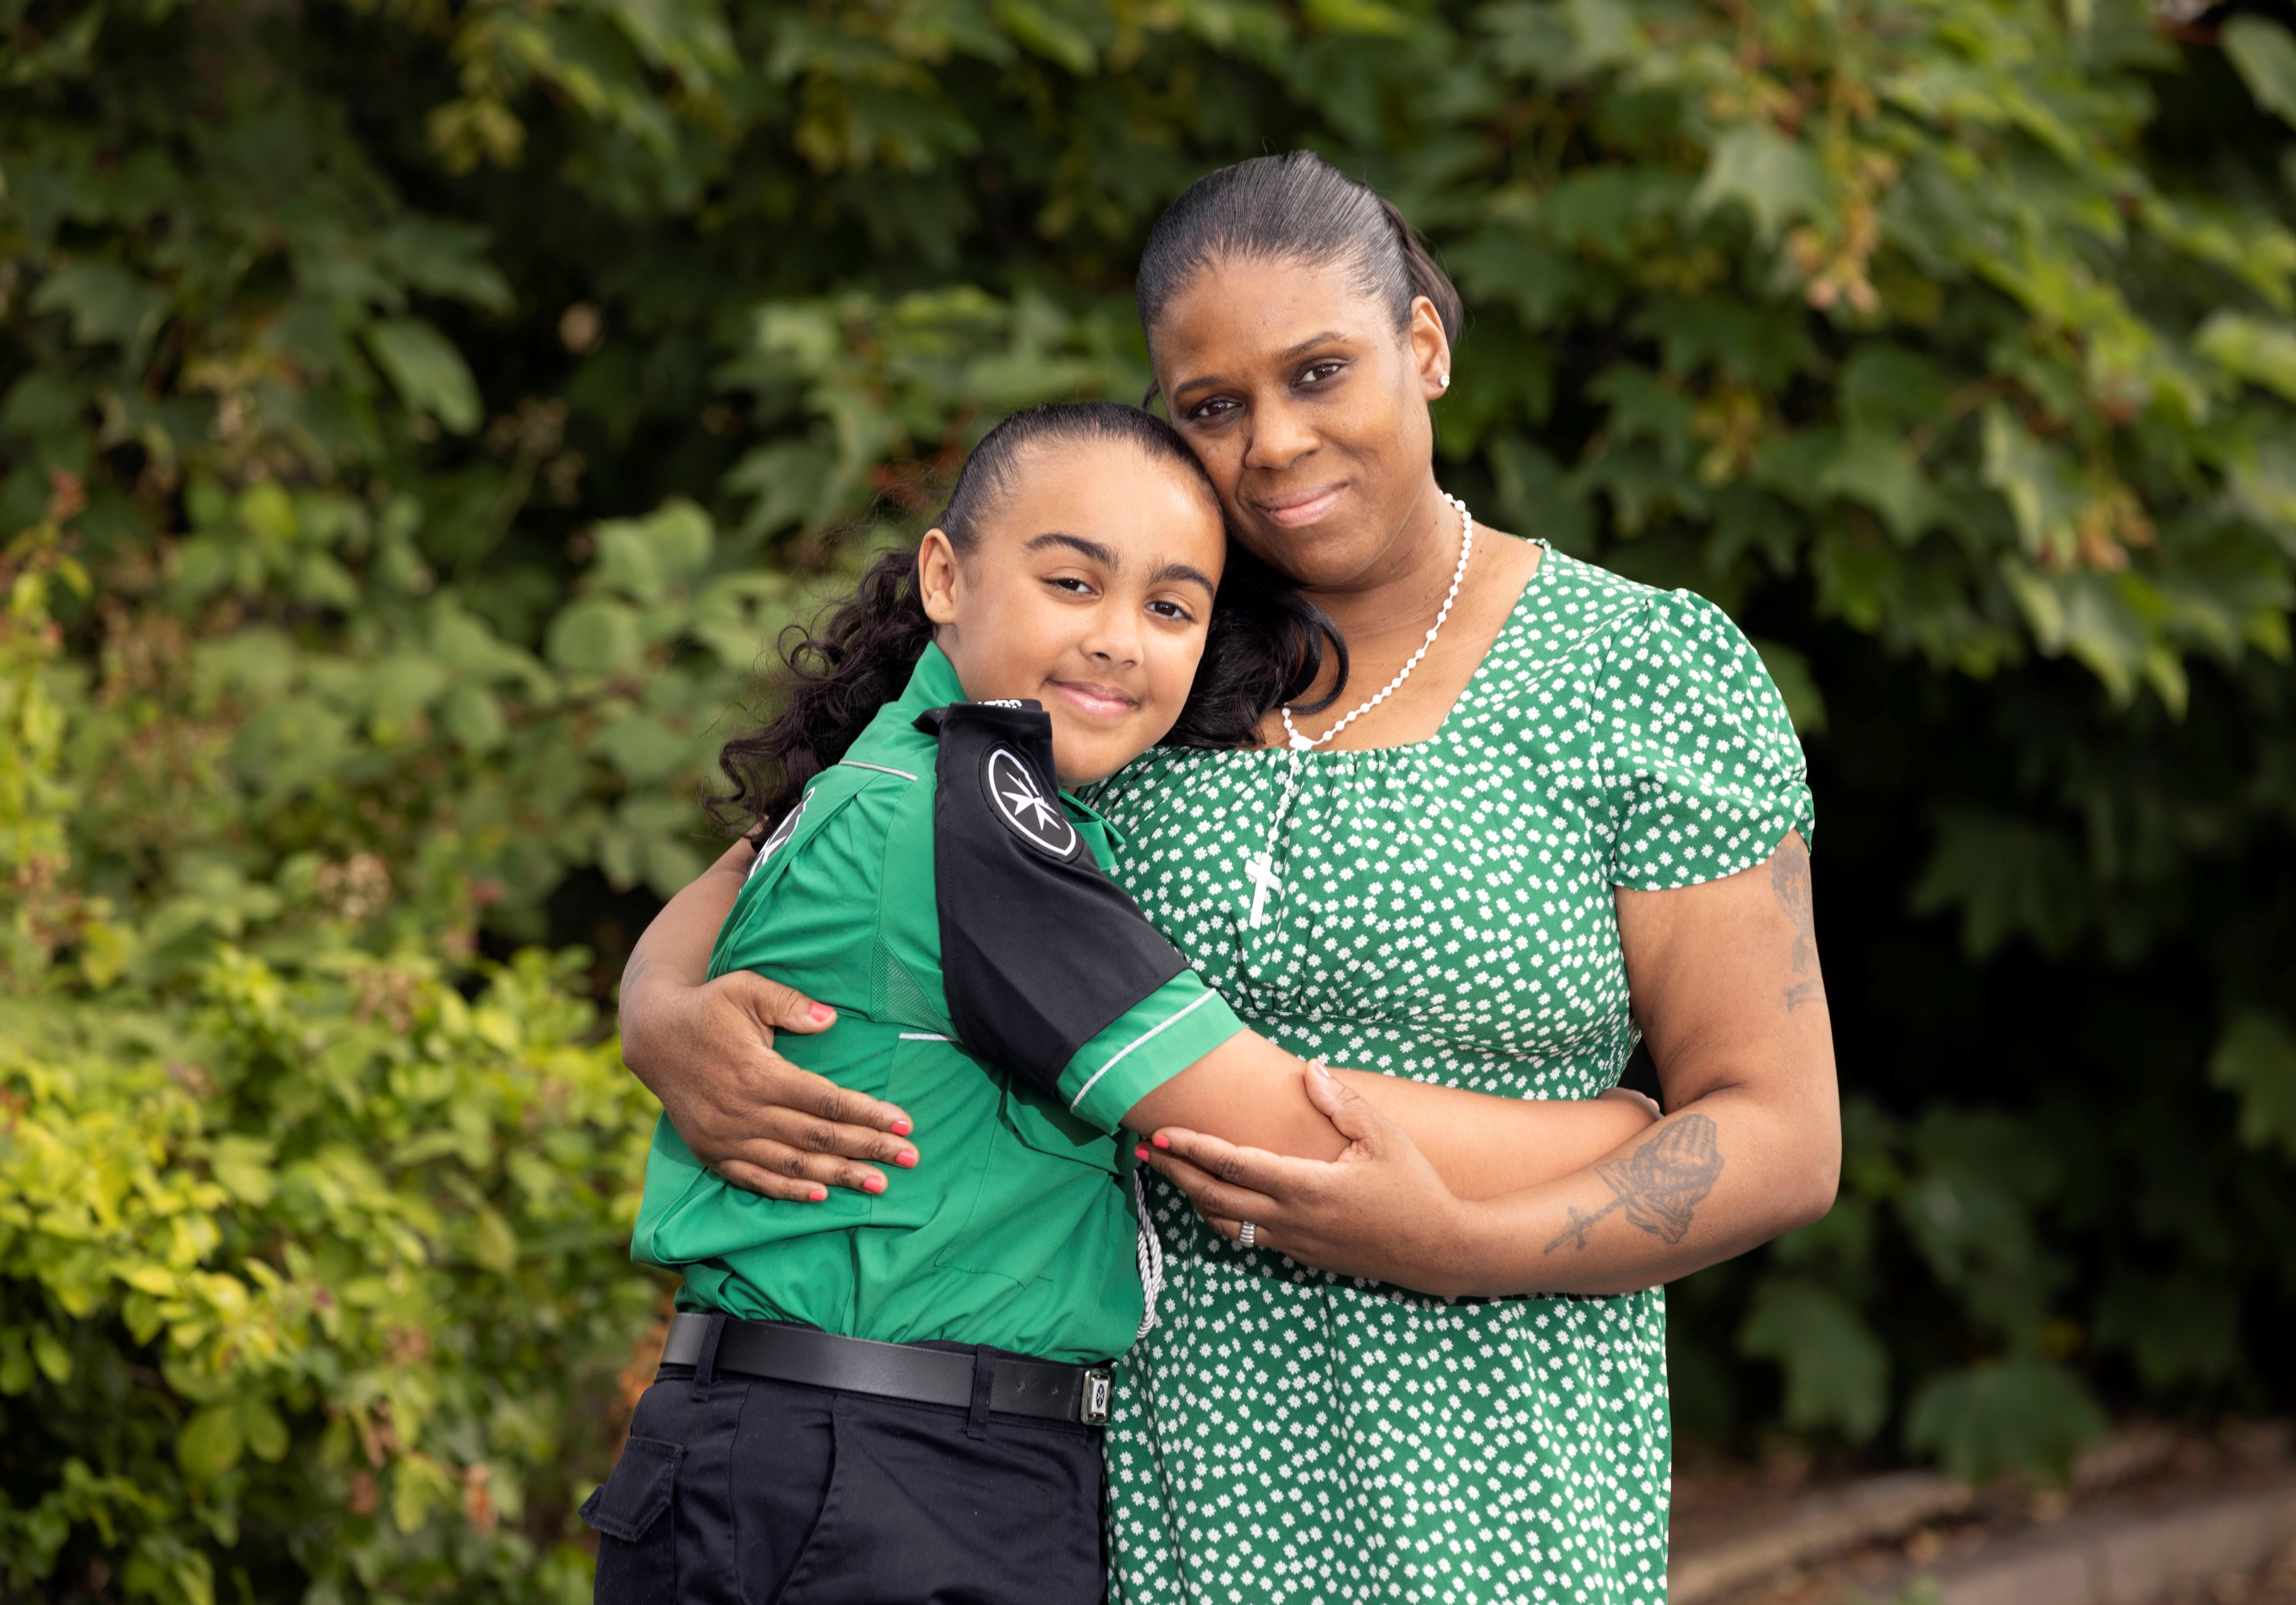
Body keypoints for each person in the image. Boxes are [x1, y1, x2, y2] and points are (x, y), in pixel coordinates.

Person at [618, 156, 1841, 1604]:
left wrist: (1467, 1240)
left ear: (1426, 348)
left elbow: (1780, 1135)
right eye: (1213, 406)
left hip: (1490, 1487)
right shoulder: (1136, 659)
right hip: (1115, 1488)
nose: (1273, 442)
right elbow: (814, 840)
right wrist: (656, 1005)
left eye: (1321, 372)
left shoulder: (1637, 671)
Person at [582, 401, 1663, 1605]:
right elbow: (1267, 1125)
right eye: (1070, 582)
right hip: (866, 1473)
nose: (1114, 639)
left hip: (888, 1460)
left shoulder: (918, 777)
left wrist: (653, 990)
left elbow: (731, 871)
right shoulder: (970, 822)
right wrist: (1615, 1130)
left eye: (1169, 607)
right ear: (945, 574)